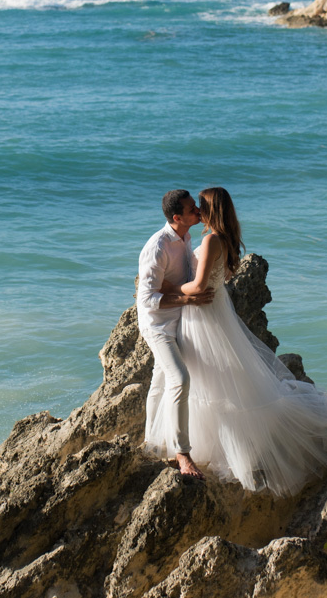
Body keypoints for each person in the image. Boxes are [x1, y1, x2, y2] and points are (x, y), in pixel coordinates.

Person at [166, 186, 327, 495]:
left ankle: (230, 448)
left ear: (211, 210)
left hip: (203, 315)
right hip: (210, 312)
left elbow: (200, 284)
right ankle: (217, 444)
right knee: (215, 379)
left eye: (201, 206)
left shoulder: (211, 239)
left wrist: (166, 291)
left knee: (212, 380)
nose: (197, 212)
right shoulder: (220, 239)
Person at [137, 189, 215, 480]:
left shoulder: (186, 237)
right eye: (192, 208)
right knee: (180, 379)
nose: (198, 210)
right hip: (157, 325)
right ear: (176, 217)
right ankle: (182, 453)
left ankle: (153, 443)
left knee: (160, 381)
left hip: (180, 319)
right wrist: (186, 300)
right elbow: (146, 298)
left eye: (197, 206)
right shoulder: (157, 246)